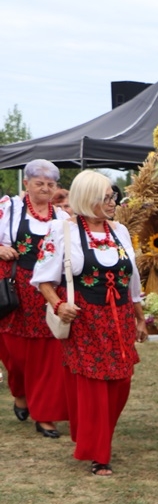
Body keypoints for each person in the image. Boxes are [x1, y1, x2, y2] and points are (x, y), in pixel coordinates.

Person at [32, 170, 146, 475]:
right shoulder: (62, 230)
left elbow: (132, 280)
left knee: (120, 383)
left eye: (113, 196)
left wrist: (140, 318)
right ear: (87, 199)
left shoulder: (120, 231)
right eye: (105, 198)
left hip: (120, 319)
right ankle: (99, 453)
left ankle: (96, 436)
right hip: (85, 320)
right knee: (93, 386)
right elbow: (43, 278)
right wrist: (58, 305)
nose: (112, 203)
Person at [0, 159, 70, 437]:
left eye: (51, 184)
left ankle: (45, 415)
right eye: (39, 183)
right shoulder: (10, 208)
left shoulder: (62, 218)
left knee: (47, 355)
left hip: (48, 290)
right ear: (26, 183)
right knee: (14, 353)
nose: (45, 189)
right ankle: (20, 392)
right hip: (15, 289)